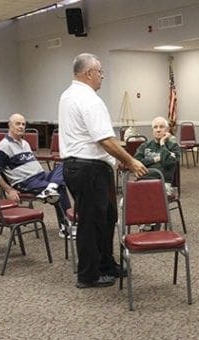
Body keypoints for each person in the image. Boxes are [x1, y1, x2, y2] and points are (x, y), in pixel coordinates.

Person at [58, 53, 148, 289]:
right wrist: (130, 161)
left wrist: (110, 158)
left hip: (81, 166)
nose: (102, 77)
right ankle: (89, 275)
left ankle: (106, 264)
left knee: (107, 218)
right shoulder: (89, 99)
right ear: (88, 73)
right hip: (89, 170)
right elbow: (104, 139)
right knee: (91, 222)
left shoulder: (67, 95)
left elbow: (88, 137)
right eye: (100, 72)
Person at [0, 113, 70, 231]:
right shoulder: (3, 147)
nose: (21, 127)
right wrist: (9, 189)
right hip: (25, 182)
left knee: (66, 164)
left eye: (23, 124)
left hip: (41, 176)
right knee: (60, 189)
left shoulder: (25, 143)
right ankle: (66, 227)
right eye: (17, 124)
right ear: (10, 125)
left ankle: (51, 186)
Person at [134, 116, 181, 194]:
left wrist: (162, 142)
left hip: (163, 183)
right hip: (143, 181)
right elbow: (136, 163)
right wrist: (157, 159)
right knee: (125, 202)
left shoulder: (173, 147)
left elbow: (168, 162)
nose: (158, 130)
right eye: (155, 127)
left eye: (161, 127)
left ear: (167, 130)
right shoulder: (145, 146)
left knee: (152, 199)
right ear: (152, 130)